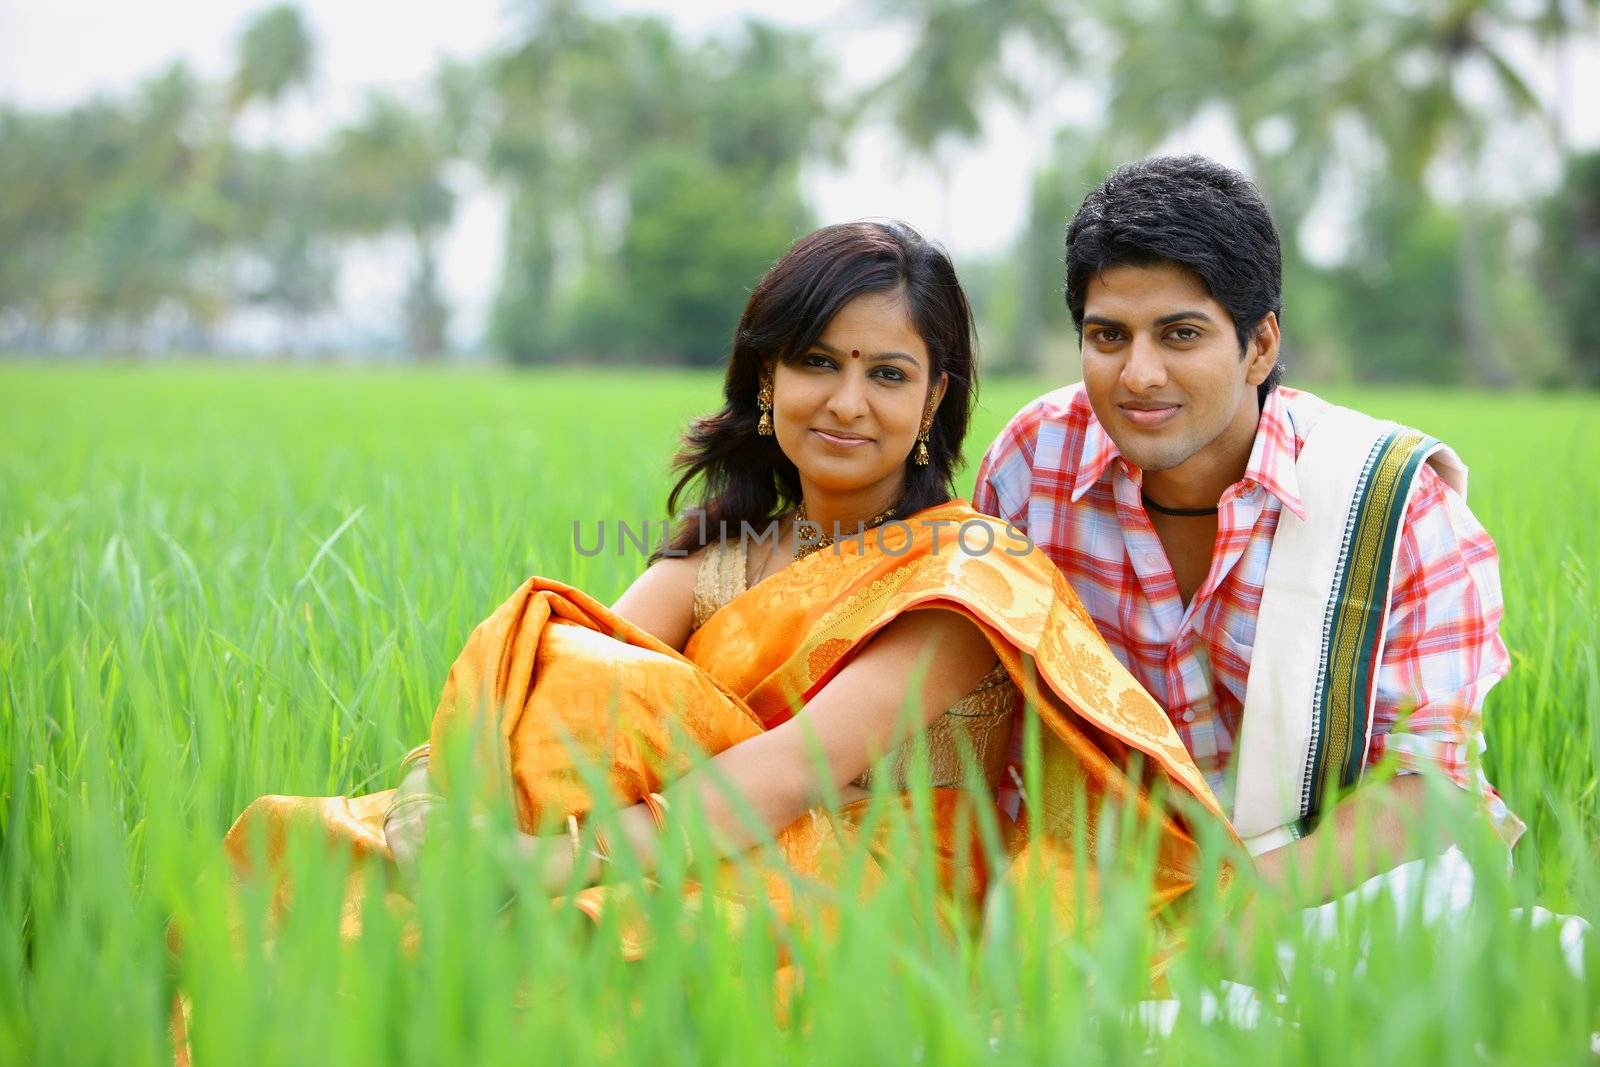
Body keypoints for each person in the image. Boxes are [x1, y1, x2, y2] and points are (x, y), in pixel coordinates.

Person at [219, 220, 1230, 954]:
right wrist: (443, 790)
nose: (844, 401)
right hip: (687, 846)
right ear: (764, 380)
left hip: (865, 900)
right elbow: (563, 687)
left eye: (886, 373)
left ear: (935, 400)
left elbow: (791, 771)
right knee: (349, 835)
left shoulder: (965, 575)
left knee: (553, 943)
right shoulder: (723, 550)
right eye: (816, 362)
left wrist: (550, 863)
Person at [973, 156, 1522, 912]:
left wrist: (1218, 919)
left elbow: (1428, 784)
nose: (1138, 374)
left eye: (1181, 334)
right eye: (1108, 335)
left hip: (1332, 882)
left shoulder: (1394, 500)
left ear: (1259, 346)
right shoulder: (1033, 464)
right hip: (1108, 883)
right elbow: (994, 720)